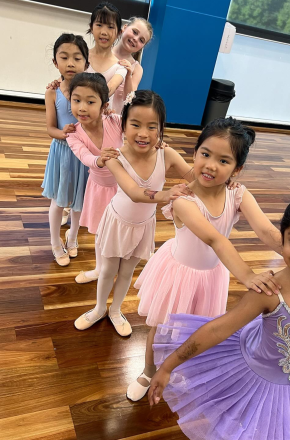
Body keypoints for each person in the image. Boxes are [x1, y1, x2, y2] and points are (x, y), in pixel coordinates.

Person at [128, 118, 290, 402]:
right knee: (160, 326)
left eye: (223, 160)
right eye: (205, 154)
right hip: (179, 273)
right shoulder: (183, 199)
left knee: (200, 326)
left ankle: (182, 368)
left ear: (237, 169)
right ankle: (148, 371)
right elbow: (215, 240)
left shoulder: (238, 193)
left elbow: (267, 232)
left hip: (212, 275)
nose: (210, 165)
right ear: (195, 152)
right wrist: (248, 275)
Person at [149, 188, 290, 440]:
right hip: (256, 376)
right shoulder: (269, 292)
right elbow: (218, 329)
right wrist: (167, 367)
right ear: (283, 238)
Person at [73, 90, 198, 336]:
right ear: (124, 125)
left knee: (127, 272)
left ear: (161, 129)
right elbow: (133, 192)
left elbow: (194, 176)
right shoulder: (114, 157)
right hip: (117, 222)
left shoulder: (167, 154)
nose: (143, 133)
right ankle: (99, 308)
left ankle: (115, 310)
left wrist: (216, 175)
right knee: (108, 271)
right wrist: (166, 195)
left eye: (152, 127)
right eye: (136, 125)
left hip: (144, 224)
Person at [66, 72, 123, 282]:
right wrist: (100, 160)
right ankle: (100, 269)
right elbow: (85, 156)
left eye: (90, 102)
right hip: (99, 189)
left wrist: (157, 142)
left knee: (123, 227)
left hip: (123, 187)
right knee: (100, 231)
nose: (82, 107)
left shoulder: (115, 121)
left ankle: (126, 262)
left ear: (104, 105)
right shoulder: (73, 134)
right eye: (76, 100)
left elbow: (137, 130)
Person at [41, 34, 90, 266]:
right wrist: (64, 134)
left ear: (86, 64)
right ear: (55, 62)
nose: (70, 63)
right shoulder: (52, 92)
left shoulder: (89, 93)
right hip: (62, 153)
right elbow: (50, 128)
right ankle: (54, 242)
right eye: (64, 57)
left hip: (84, 155)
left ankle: (72, 237)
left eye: (77, 58)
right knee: (58, 201)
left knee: (80, 201)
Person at [112, 17, 153, 114]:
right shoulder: (103, 52)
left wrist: (128, 75)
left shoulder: (137, 69)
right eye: (134, 32)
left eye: (141, 40)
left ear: (142, 47)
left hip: (115, 118)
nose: (135, 39)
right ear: (125, 27)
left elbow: (128, 99)